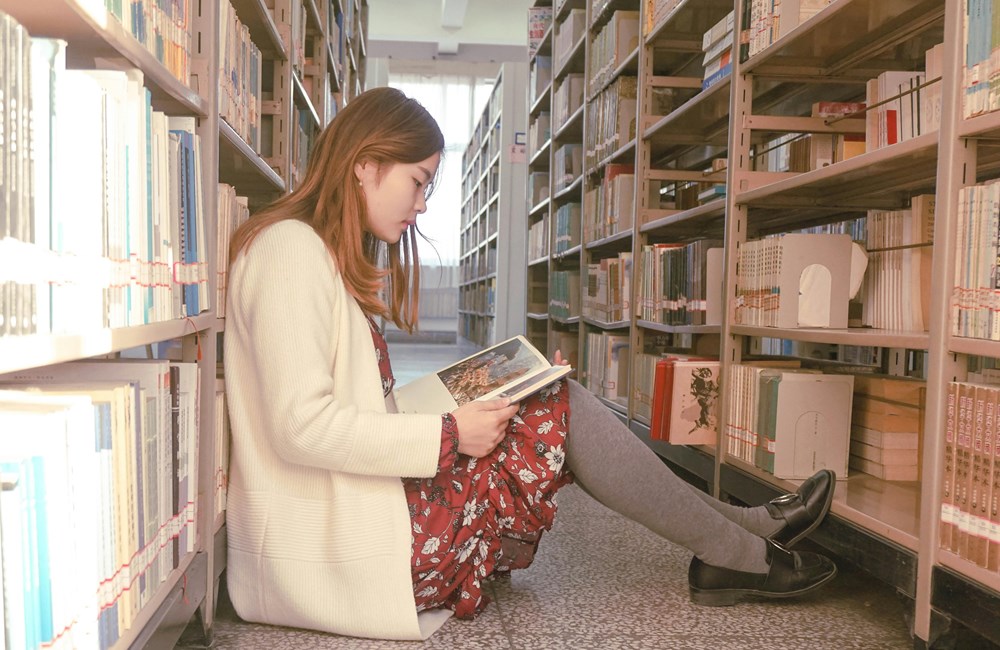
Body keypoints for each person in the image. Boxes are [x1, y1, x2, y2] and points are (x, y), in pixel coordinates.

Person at [223, 86, 839, 642]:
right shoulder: (289, 251)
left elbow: (353, 410)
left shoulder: (311, 250)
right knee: (558, 407)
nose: (422, 204)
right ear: (365, 164)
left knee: (542, 393)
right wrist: (449, 433)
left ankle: (742, 532)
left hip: (366, 522)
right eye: (417, 181)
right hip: (348, 552)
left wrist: (471, 396)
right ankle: (739, 545)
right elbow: (300, 426)